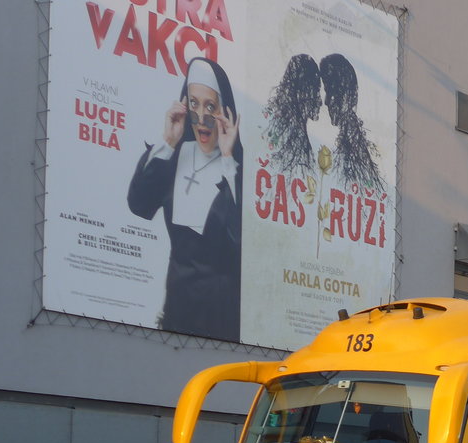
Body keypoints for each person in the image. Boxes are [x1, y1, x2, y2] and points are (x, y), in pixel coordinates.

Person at [128, 56, 242, 343]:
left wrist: (228, 159)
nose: (201, 117)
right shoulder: (175, 155)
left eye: (210, 107)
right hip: (177, 309)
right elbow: (139, 205)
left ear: (224, 111)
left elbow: (238, 237)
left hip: (222, 317)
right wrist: (168, 142)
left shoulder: (237, 169)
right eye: (194, 103)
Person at [319, 53, 384, 192]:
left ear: (346, 93)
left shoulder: (350, 138)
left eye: (330, 91)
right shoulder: (350, 134)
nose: (326, 101)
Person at [264, 54, 323, 177]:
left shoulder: (291, 129)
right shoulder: (292, 135)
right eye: (315, 91)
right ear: (302, 91)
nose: (319, 101)